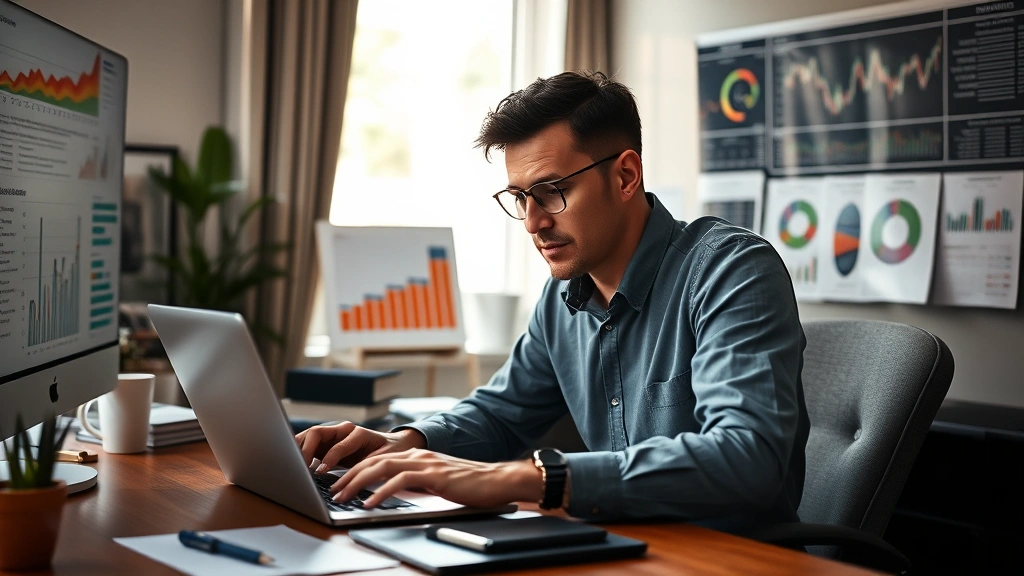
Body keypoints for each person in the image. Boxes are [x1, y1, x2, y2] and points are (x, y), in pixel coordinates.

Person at [297, 70, 809, 531]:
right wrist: (405, 443)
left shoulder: (730, 270)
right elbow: (500, 413)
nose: (534, 222)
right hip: (624, 548)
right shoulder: (561, 297)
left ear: (626, 176)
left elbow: (747, 458)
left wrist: (526, 479)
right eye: (519, 198)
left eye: (551, 191)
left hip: (729, 559)